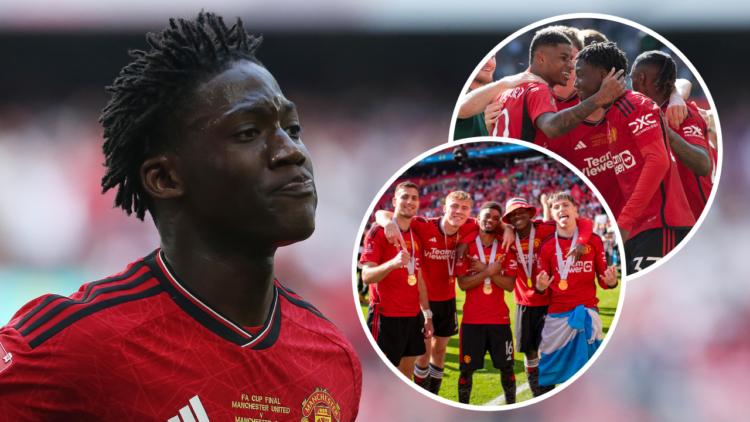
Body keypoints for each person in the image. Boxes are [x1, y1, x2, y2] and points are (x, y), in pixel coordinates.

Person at [0, 12, 362, 422]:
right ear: (165, 178)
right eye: (248, 133)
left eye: (292, 128)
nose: (291, 151)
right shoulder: (81, 342)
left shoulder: (332, 357)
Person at [574, 41, 696, 274]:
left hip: (661, 225)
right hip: (638, 230)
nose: (575, 83)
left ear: (602, 75)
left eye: (580, 75)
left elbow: (658, 161)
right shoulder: (612, 115)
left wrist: (626, 219)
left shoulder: (635, 105)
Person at [375, 191, 476, 395]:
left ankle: (433, 395)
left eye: (464, 208)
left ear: (469, 212)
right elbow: (383, 213)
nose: (459, 211)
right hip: (423, 301)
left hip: (448, 300)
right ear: (445, 208)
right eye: (454, 206)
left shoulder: (470, 225)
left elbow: (493, 226)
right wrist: (388, 224)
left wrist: (466, 241)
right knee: (422, 355)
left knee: (439, 353)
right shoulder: (424, 224)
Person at [500, 196, 593, 397]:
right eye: (512, 214)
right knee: (530, 351)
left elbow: (584, 222)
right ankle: (539, 394)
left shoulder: (546, 227)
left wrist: (581, 242)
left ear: (530, 212)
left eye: (521, 211)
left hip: (551, 302)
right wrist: (505, 227)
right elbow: (480, 221)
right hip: (524, 302)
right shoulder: (505, 234)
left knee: (557, 350)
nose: (517, 216)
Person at [489, 27, 627, 148]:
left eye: (571, 57)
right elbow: (551, 127)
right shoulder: (538, 91)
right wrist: (600, 97)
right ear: (541, 58)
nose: (571, 64)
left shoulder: (506, 91)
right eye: (563, 57)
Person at [535, 192, 618, 387]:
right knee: (550, 369)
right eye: (555, 207)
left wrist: (612, 282)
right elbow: (544, 290)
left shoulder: (594, 241)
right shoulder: (546, 247)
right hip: (557, 316)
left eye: (565, 205)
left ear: (575, 210)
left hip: (588, 311)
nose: (561, 209)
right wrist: (540, 288)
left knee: (592, 375)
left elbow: (605, 283)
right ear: (553, 215)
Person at [630, 50, 716, 220]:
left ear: (640, 79)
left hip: (698, 216)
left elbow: (702, 164)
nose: (629, 85)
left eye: (631, 78)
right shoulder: (641, 115)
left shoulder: (681, 112)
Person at [360, 182, 433, 379]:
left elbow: (418, 278)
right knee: (381, 377)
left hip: (413, 316)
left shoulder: (416, 238)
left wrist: (427, 314)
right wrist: (392, 263)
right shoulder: (377, 232)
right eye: (405, 196)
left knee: (407, 372)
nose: (410, 201)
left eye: (414, 198)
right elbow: (366, 276)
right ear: (394, 201)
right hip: (385, 317)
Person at [454, 202, 517, 404]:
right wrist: (489, 271)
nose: (489, 220)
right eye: (486, 216)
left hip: (500, 320)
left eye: (495, 217)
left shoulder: (506, 246)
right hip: (472, 320)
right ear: (477, 218)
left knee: (508, 371)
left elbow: (509, 285)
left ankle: (512, 408)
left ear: (500, 222)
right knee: (466, 372)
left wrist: (486, 270)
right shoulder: (465, 247)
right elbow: (463, 284)